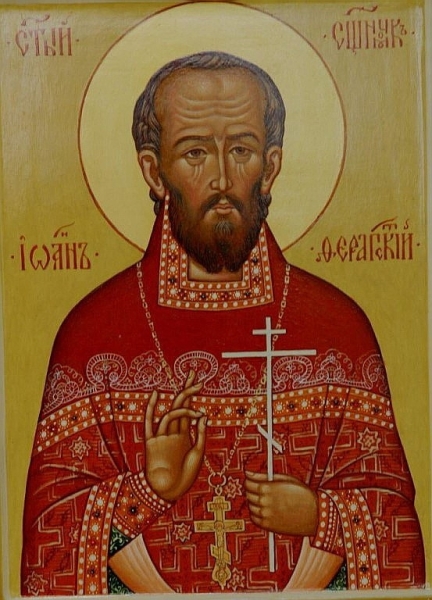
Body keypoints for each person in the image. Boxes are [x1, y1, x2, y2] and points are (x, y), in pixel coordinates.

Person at [21, 52, 425, 596]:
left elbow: (396, 529)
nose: (221, 178)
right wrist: (146, 491)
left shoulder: (339, 330)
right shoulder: (90, 336)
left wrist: (319, 516)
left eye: (241, 150)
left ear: (271, 166)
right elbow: (49, 546)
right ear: (153, 172)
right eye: (194, 152)